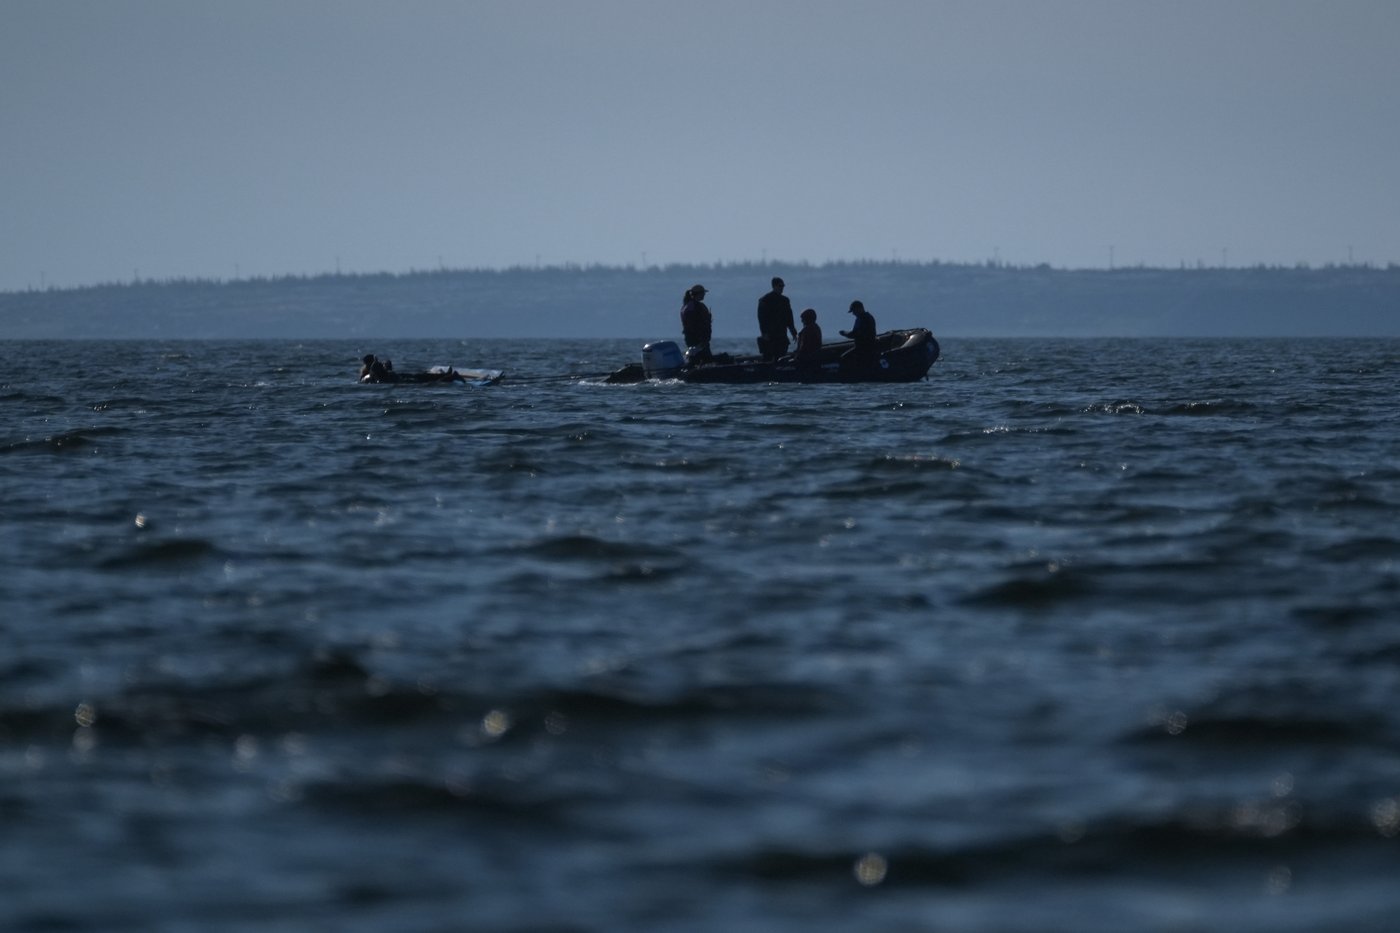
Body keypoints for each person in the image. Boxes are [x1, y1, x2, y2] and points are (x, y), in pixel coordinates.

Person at [756, 276, 797, 362]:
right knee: (767, 358)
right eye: (780, 286)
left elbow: (789, 317)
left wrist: (793, 332)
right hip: (770, 335)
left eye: (783, 286)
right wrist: (764, 333)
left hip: (781, 335)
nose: (782, 288)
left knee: (781, 357)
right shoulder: (765, 300)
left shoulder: (785, 301)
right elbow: (761, 319)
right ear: (774, 286)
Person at [839, 300, 879, 371]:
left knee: (844, 358)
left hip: (865, 348)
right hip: (863, 347)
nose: (853, 313)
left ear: (859, 308)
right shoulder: (864, 318)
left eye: (854, 311)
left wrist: (845, 333)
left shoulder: (864, 319)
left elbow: (856, 334)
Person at [680, 284, 714, 365]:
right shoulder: (695, 306)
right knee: (705, 359)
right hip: (698, 339)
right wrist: (701, 339)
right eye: (703, 293)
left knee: (697, 358)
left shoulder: (687, 305)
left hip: (691, 338)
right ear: (699, 294)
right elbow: (694, 324)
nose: (704, 295)